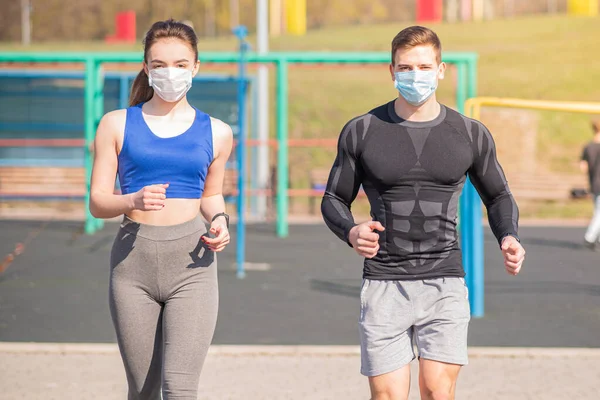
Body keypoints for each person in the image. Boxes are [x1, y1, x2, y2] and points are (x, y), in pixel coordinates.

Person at [321, 26, 526, 400]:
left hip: (444, 282)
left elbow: (498, 196)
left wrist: (508, 236)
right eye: (406, 67)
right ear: (392, 71)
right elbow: (334, 198)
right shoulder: (362, 131)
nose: (416, 75)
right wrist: (351, 231)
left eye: (424, 66)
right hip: (384, 282)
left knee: (436, 391)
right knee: (388, 397)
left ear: (441, 69)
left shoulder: (470, 133)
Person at [89, 19, 232, 399]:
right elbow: (97, 202)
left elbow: (211, 196)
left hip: (192, 265)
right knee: (143, 390)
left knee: (180, 387)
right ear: (147, 67)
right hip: (132, 265)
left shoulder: (217, 131)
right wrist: (131, 200)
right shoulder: (116, 124)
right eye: (160, 64)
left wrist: (220, 220)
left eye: (181, 64)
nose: (171, 73)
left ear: (196, 67)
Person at [580, 119, 600, 250]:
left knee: (597, 210)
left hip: (594, 183)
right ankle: (590, 237)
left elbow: (583, 167)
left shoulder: (588, 147)